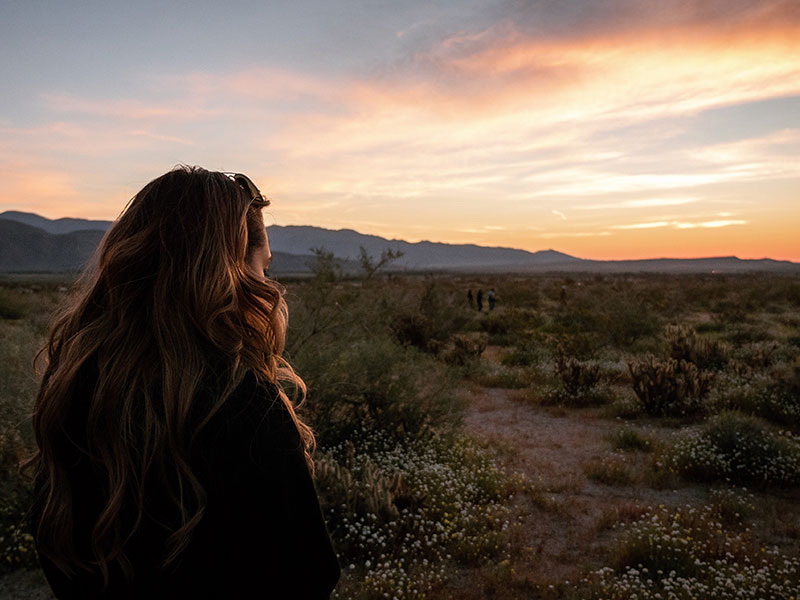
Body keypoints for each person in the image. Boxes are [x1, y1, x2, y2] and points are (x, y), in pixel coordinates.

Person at [26, 166, 340, 599]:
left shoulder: (77, 389)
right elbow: (311, 573)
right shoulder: (245, 405)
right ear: (226, 274)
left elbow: (57, 549)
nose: (268, 285)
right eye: (262, 266)